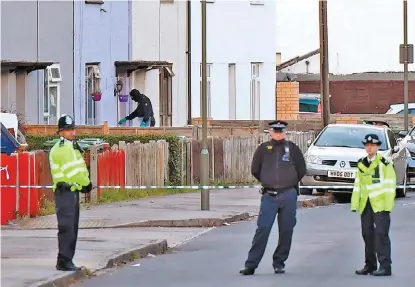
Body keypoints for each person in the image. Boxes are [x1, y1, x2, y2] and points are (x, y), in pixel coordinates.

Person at [240, 120, 306, 275]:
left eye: (280, 131)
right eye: (275, 131)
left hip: (288, 194)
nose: (278, 134)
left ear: (284, 132)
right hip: (269, 196)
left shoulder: (292, 149)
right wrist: (268, 181)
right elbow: (255, 169)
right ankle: (251, 264)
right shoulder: (263, 149)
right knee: (262, 229)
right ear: (270, 132)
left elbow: (301, 169)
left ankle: (279, 262)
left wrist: (288, 182)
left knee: (286, 230)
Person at [49, 114, 92, 271]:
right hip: (65, 191)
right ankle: (64, 261)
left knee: (72, 227)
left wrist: (84, 184)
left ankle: (67, 260)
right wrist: (85, 184)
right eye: (68, 130)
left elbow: (79, 168)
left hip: (72, 191)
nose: (72, 132)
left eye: (73, 129)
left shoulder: (72, 147)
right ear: (60, 131)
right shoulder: (61, 149)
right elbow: (73, 171)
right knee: (67, 227)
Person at [352, 133, 396, 277]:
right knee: (367, 234)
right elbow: (358, 185)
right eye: (368, 145)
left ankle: (385, 266)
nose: (370, 148)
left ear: (377, 147)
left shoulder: (384, 163)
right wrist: (355, 203)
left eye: (373, 146)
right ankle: (370, 265)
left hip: (381, 204)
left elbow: (390, 185)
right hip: (366, 204)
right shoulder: (361, 163)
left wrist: (388, 204)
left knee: (381, 234)